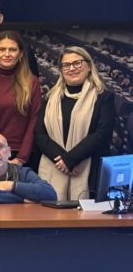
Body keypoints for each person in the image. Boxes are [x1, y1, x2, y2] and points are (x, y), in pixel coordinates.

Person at [35, 46, 116, 201]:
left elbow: (102, 134)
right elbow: (40, 134)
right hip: (54, 165)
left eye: (77, 63)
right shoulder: (51, 97)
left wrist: (71, 159)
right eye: (66, 65)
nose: (71, 68)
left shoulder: (103, 97)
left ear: (89, 66)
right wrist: (62, 159)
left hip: (90, 170)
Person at [0, 31, 42, 166]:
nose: (7, 54)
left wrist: (21, 158)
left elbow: (35, 120)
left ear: (20, 53)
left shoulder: (31, 82)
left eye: (12, 50)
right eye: (2, 49)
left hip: (24, 155)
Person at [0, 131, 57, 204]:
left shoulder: (24, 172)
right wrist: (22, 198)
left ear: (9, 152)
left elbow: (50, 193)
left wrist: (12, 185)